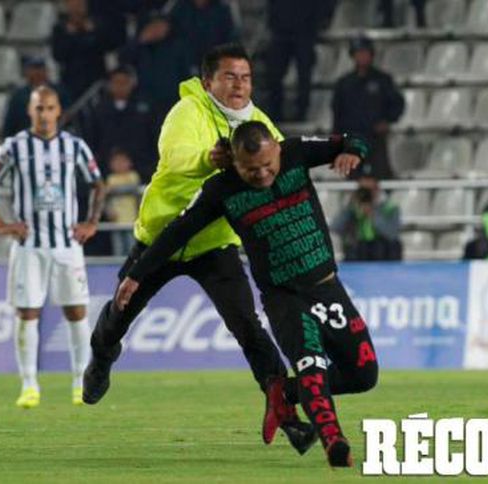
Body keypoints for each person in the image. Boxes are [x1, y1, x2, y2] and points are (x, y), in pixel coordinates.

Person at [83, 44, 316, 454]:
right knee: (119, 315)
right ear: (208, 82)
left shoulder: (260, 125)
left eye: (245, 77)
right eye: (229, 77)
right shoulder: (187, 111)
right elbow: (176, 157)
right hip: (161, 237)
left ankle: (288, 416)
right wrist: (209, 158)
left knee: (248, 326)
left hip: (214, 242)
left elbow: (281, 171)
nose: (239, 85)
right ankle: (102, 357)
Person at [114, 121, 377, 467]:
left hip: (327, 288)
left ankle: (284, 392)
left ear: (277, 149)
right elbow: (177, 232)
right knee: (311, 364)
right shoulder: (220, 189)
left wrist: (353, 152)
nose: (263, 174)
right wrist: (136, 274)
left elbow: (355, 138)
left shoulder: (296, 152)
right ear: (234, 163)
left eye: (268, 165)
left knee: (363, 375)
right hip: (284, 298)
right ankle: (334, 442)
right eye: (251, 169)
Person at [0, 86, 107, 408]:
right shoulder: (14, 147)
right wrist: (1, 224)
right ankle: (29, 385)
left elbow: (98, 183)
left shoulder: (74, 146)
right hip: (29, 246)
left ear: (58, 111)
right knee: (28, 313)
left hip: (67, 244)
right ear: (30, 111)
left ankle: (80, 382)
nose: (44, 114)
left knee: (76, 311)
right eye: (39, 108)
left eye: (49, 108)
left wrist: (92, 222)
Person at [332, 36, 405, 179]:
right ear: (353, 56)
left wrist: (388, 120)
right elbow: (337, 113)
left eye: (365, 52)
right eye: (358, 53)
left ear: (371, 54)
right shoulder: (344, 83)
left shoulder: (383, 80)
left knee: (382, 177)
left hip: (375, 138)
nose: (362, 57)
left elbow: (397, 103)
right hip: (352, 140)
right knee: (353, 179)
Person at [84, 66, 158, 180]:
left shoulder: (145, 109)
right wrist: (112, 160)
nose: (120, 86)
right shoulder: (98, 111)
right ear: (110, 85)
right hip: (106, 170)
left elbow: (153, 139)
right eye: (116, 82)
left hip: (142, 169)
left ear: (132, 84)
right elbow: (92, 142)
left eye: (124, 83)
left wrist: (130, 161)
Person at [265, 0, 329, 121]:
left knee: (304, 74)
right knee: (274, 73)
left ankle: (301, 112)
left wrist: (320, 20)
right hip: (281, 30)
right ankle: (276, 112)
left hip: (305, 29)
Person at [51, 0, 125, 99]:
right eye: (73, 5)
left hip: (96, 78)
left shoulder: (98, 24)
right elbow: (58, 55)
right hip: (71, 80)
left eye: (79, 4)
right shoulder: (60, 28)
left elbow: (109, 46)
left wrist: (93, 32)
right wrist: (70, 36)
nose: (76, 9)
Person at [331, 173, 402, 260]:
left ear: (377, 190)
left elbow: (392, 234)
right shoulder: (352, 207)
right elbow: (335, 228)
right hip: (358, 252)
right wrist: (349, 206)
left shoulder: (390, 207)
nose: (366, 194)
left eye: (369, 190)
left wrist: (373, 215)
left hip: (382, 252)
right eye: (363, 190)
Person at [1, 57, 71, 138]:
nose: (37, 73)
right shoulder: (19, 95)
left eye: (40, 69)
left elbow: (67, 113)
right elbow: (10, 121)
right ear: (27, 72)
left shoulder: (59, 91)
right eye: (33, 69)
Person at [105, 149, 141, 256]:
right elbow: (106, 199)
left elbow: (134, 188)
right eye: (116, 162)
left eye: (122, 161)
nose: (119, 164)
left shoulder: (133, 176)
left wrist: (113, 190)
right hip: (116, 219)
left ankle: (132, 266)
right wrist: (109, 212)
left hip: (131, 219)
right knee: (118, 249)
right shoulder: (111, 179)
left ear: (130, 163)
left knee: (131, 247)